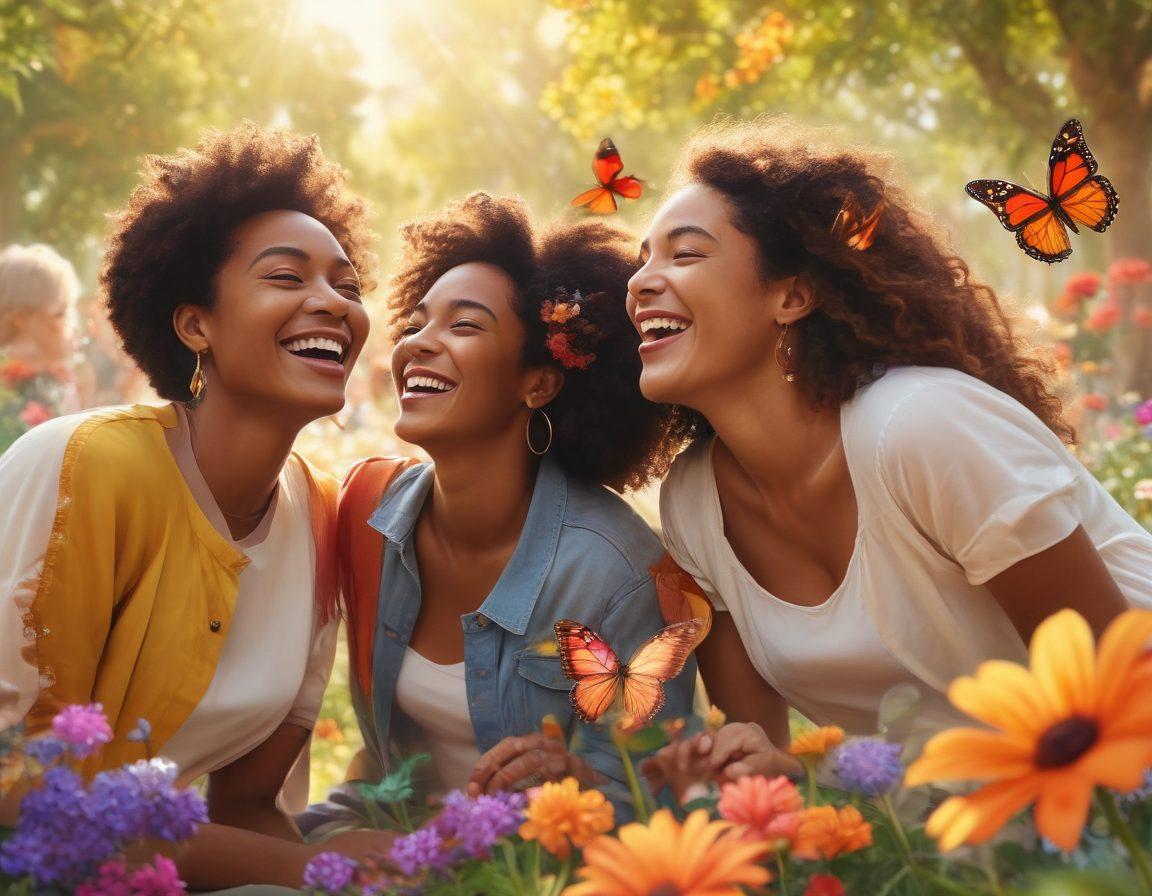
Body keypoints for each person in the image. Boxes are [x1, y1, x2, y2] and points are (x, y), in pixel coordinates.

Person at [630, 119, 1152, 796]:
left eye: (685, 255)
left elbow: (1119, 693)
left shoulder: (919, 428)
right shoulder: (694, 504)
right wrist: (727, 773)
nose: (641, 281)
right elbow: (763, 779)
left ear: (791, 294)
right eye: (642, 259)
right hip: (968, 843)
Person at [0, 123, 396, 889]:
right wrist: (312, 864)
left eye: (347, 287)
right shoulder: (81, 467)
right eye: (287, 278)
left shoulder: (317, 511)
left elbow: (246, 801)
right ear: (195, 325)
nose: (333, 305)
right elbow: (24, 791)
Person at [333, 192, 696, 815]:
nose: (419, 343)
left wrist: (574, 780)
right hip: (395, 855)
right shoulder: (369, 515)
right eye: (416, 323)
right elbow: (377, 774)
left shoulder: (619, 575)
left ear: (539, 383)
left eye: (464, 325)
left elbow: (645, 803)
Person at [0, 243, 82, 423]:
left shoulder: (58, 383)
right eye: (60, 313)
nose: (73, 325)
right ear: (20, 318)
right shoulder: (8, 398)